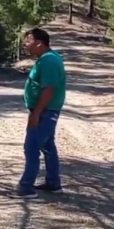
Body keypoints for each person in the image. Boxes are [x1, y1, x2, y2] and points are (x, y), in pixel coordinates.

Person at [10, 27, 66, 199]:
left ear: (39, 43)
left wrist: (36, 113)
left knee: (32, 146)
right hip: (46, 111)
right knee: (48, 147)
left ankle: (26, 187)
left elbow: (49, 89)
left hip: (45, 112)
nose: (26, 45)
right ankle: (53, 183)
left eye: (28, 41)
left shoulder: (48, 61)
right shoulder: (48, 58)